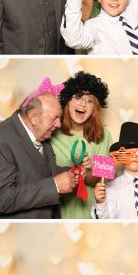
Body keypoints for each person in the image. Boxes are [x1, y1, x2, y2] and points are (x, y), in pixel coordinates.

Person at [0, 78, 76, 219]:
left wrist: (71, 172)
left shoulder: (42, 132)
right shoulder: (0, 138)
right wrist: (54, 186)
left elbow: (40, 171)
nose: (59, 124)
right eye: (54, 118)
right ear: (33, 116)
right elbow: (2, 198)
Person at [51, 72, 113, 219]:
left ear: (94, 108)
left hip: (89, 216)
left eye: (89, 101)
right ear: (68, 101)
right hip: (57, 216)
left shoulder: (104, 135)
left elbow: (103, 179)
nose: (83, 104)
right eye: (78, 97)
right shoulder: (51, 131)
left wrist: (88, 172)